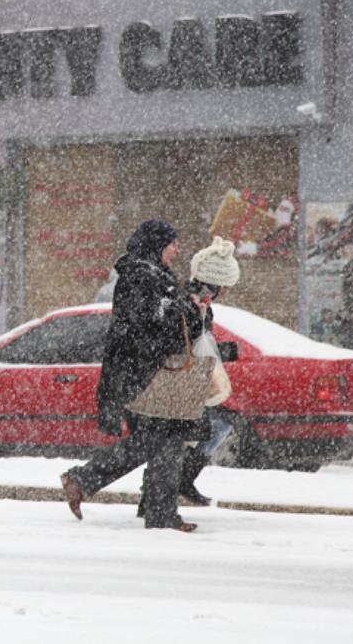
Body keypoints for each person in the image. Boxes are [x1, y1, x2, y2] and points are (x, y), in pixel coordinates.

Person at [59, 220, 208, 532]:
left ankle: (141, 503)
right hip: (138, 373)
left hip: (146, 372)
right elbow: (151, 323)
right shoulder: (140, 277)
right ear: (157, 245)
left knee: (159, 440)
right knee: (163, 438)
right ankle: (152, 509)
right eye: (172, 243)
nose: (177, 250)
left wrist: (192, 308)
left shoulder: (153, 275)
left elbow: (170, 319)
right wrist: (186, 309)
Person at [139, 235, 242, 512]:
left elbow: (198, 342)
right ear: (215, 282)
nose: (227, 291)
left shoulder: (199, 302)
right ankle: (167, 490)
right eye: (225, 285)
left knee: (200, 431)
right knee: (185, 435)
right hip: (178, 378)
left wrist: (220, 351)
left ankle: (162, 492)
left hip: (186, 376)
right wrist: (221, 351)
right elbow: (186, 341)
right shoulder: (190, 302)